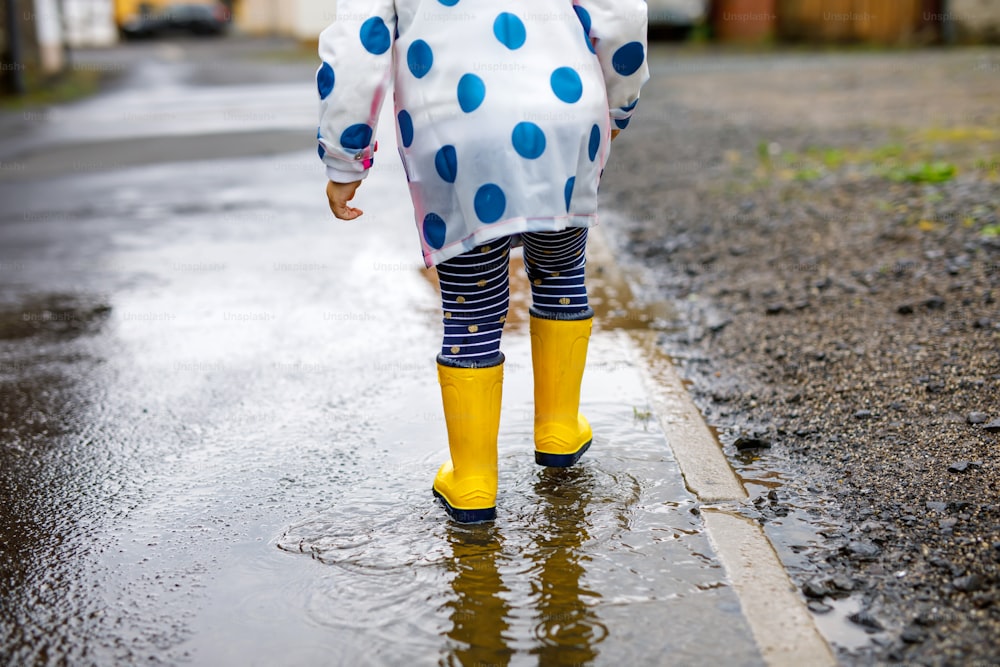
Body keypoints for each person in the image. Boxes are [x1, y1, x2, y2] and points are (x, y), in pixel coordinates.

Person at [318, 0, 649, 523]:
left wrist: (344, 157)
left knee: (472, 308)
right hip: (566, 117)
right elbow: (621, 15)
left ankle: (473, 482)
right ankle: (559, 429)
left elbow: (358, 47)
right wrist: (618, 105)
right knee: (561, 272)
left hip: (456, 131)